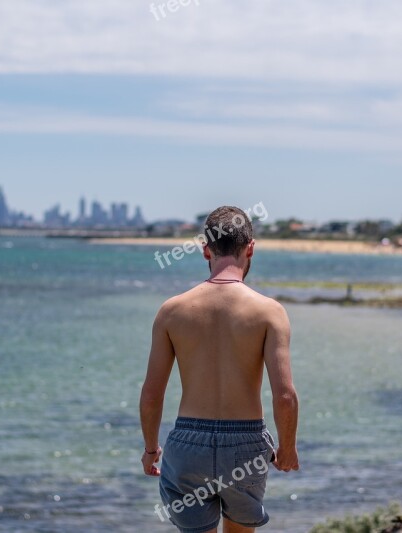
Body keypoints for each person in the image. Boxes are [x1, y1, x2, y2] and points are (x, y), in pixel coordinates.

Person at [139, 205, 300, 533]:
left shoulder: (171, 311)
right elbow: (284, 395)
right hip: (246, 446)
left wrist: (151, 448)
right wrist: (287, 448)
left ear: (205, 250)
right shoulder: (270, 312)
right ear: (250, 247)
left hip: (188, 443)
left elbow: (152, 394)